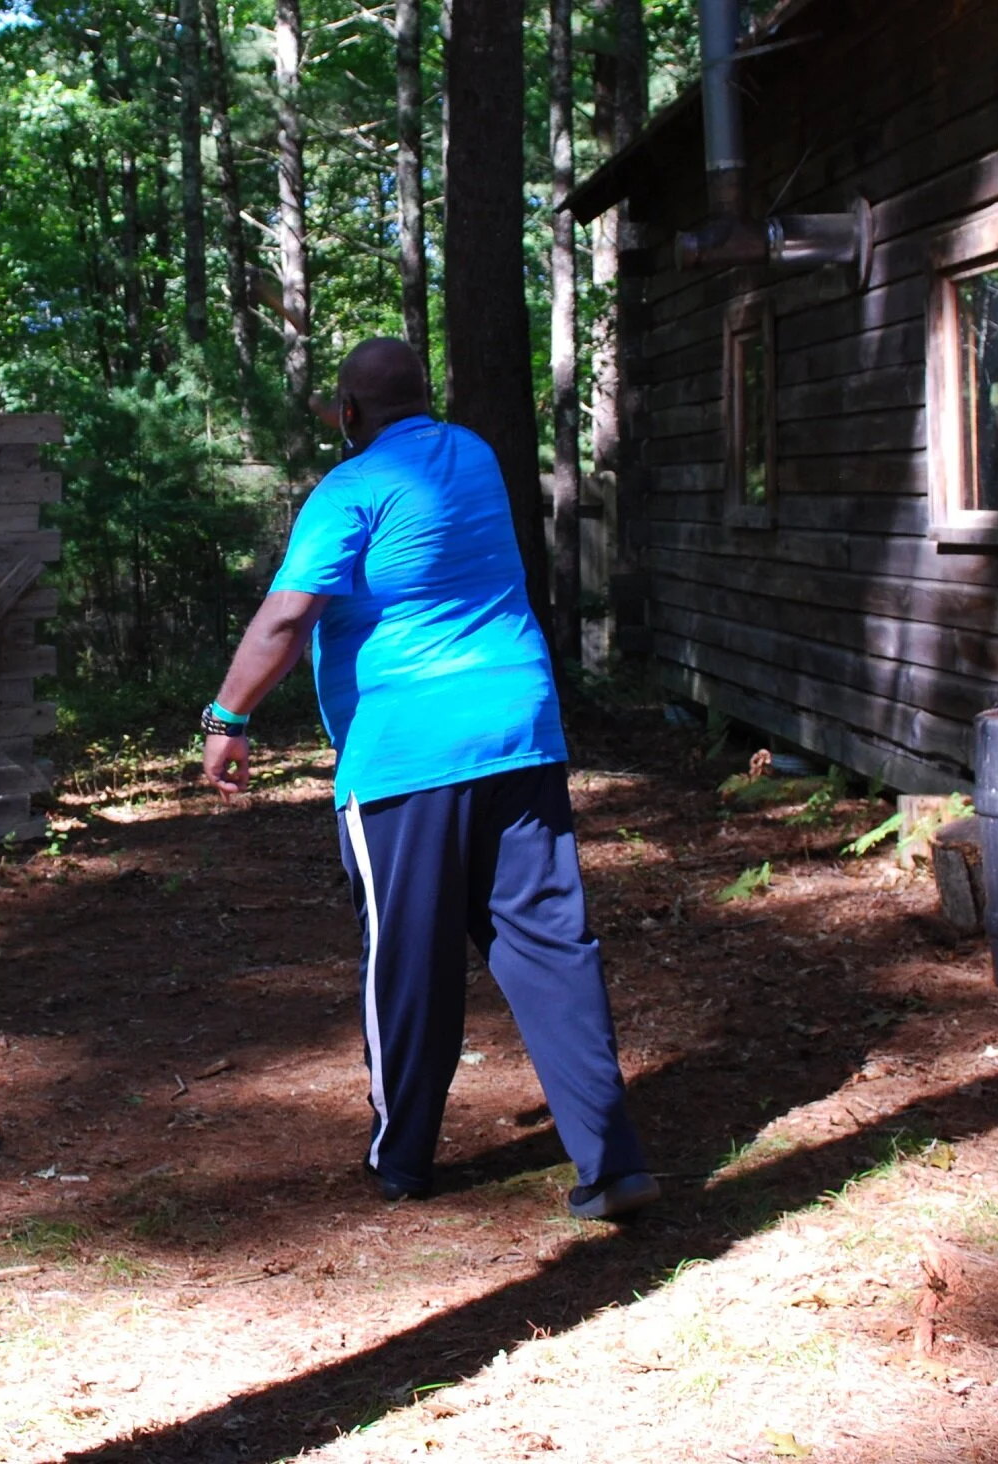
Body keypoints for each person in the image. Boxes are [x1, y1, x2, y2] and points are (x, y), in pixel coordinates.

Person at [199, 337, 658, 1218]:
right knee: (550, 947)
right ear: (426, 398)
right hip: (519, 735)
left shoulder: (351, 488)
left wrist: (228, 717)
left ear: (348, 414)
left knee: (407, 959)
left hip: (407, 759)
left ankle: (402, 1156)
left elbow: (288, 619)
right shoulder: (475, 457)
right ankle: (614, 1160)